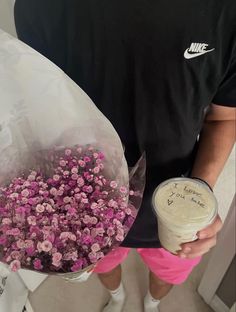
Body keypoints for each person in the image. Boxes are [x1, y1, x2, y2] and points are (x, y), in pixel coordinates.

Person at [14, 1, 236, 311]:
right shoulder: (40, 7)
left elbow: (223, 118)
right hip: (89, 212)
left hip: (177, 207)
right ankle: (117, 298)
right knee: (105, 268)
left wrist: (200, 193)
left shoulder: (226, 14)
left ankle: (152, 303)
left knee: (167, 274)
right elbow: (44, 114)